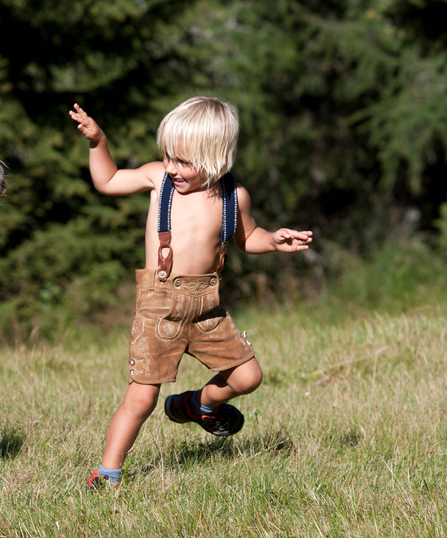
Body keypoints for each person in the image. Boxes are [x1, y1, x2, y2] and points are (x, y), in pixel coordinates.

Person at [69, 97, 313, 490]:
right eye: (168, 156)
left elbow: (248, 236)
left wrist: (273, 240)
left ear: (215, 158)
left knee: (248, 376)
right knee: (141, 399)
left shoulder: (234, 196)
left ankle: (198, 405)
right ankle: (107, 474)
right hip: (159, 309)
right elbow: (108, 181)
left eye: (183, 161)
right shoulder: (158, 180)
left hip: (206, 308)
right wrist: (98, 142)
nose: (171, 167)